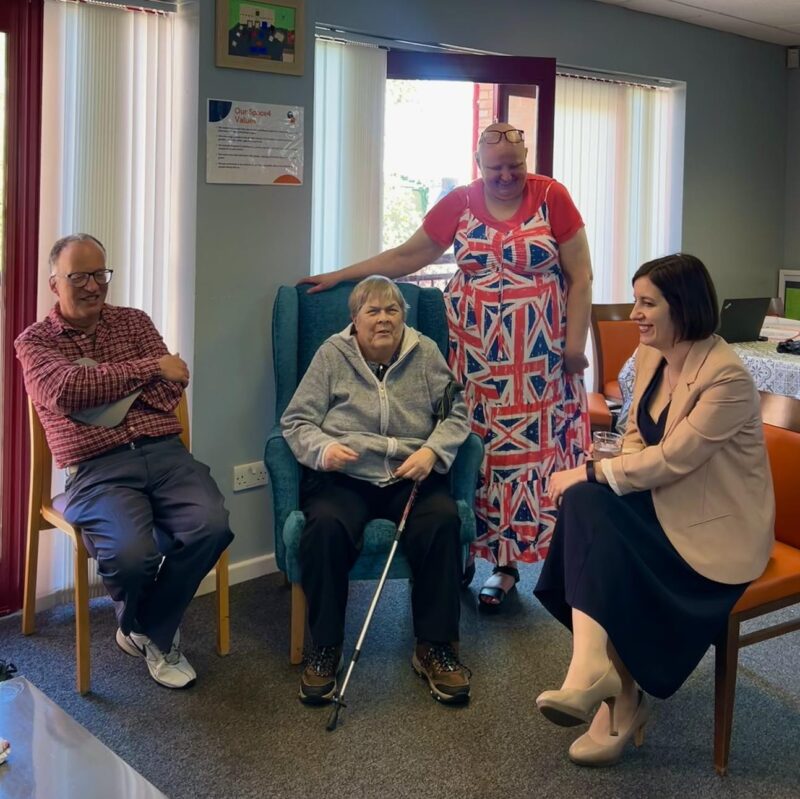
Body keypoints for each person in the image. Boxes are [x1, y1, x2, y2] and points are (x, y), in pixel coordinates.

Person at [300, 122, 592, 609]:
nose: (506, 175)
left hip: (538, 361)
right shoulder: (460, 201)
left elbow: (580, 275)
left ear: (527, 160)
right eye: (495, 166)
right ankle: (461, 549)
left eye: (515, 165)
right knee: (473, 448)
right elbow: (407, 255)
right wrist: (339, 275)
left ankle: (505, 566)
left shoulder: (551, 196)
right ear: (478, 164)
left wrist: (575, 345)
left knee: (522, 462)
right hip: (475, 355)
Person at [533, 254, 774, 766]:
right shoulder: (649, 357)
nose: (635, 314)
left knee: (588, 499)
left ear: (682, 308)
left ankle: (613, 690)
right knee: (586, 506)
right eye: (636, 301)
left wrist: (592, 471)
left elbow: (672, 459)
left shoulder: (727, 377)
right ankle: (601, 677)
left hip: (717, 532)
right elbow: (637, 436)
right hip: (665, 505)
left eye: (648, 304)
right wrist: (603, 476)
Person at [15, 234, 234, 690]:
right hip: (96, 469)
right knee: (132, 556)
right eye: (79, 277)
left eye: (100, 274)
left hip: (165, 454)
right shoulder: (34, 342)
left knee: (211, 525)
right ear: (55, 283)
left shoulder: (135, 323)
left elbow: (172, 388)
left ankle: (146, 629)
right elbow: (64, 392)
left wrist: (107, 388)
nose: (93, 286)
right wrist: (146, 370)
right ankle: (156, 631)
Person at [281, 276, 472, 705]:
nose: (384, 319)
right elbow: (295, 422)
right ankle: (325, 648)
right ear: (355, 319)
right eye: (374, 311)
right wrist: (324, 448)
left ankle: (434, 647)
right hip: (346, 474)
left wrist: (432, 453)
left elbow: (456, 415)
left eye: (393, 310)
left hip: (412, 472)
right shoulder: (331, 354)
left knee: (442, 521)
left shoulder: (424, 353)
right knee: (325, 528)